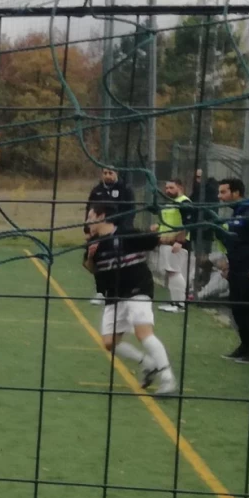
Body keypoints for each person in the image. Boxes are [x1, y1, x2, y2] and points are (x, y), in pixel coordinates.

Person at [82, 207, 178, 395]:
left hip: (138, 289)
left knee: (144, 334)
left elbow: (157, 240)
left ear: (102, 216)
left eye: (90, 217)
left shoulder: (127, 234)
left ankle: (168, 378)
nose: (87, 221)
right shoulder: (94, 243)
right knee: (109, 342)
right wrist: (91, 257)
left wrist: (177, 239)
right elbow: (90, 268)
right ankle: (148, 364)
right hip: (114, 294)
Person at [214, 178, 249, 364]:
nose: (220, 196)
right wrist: (228, 264)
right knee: (238, 308)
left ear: (236, 193)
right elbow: (236, 243)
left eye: (223, 192)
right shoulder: (237, 213)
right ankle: (245, 346)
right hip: (236, 269)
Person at [154, 178, 193, 312]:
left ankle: (180, 305)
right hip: (167, 242)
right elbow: (171, 221)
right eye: (167, 188)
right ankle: (174, 301)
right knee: (172, 271)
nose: (167, 191)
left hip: (175, 243)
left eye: (171, 188)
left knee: (174, 271)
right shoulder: (171, 203)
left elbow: (188, 223)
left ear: (180, 188)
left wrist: (179, 241)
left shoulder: (184, 202)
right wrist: (158, 226)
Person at [87, 166, 132, 232]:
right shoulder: (96, 190)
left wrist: (124, 227)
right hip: (100, 230)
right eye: (105, 173)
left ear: (116, 173)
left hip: (121, 230)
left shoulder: (125, 189)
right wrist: (87, 229)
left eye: (110, 173)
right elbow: (89, 209)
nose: (107, 176)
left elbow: (130, 210)